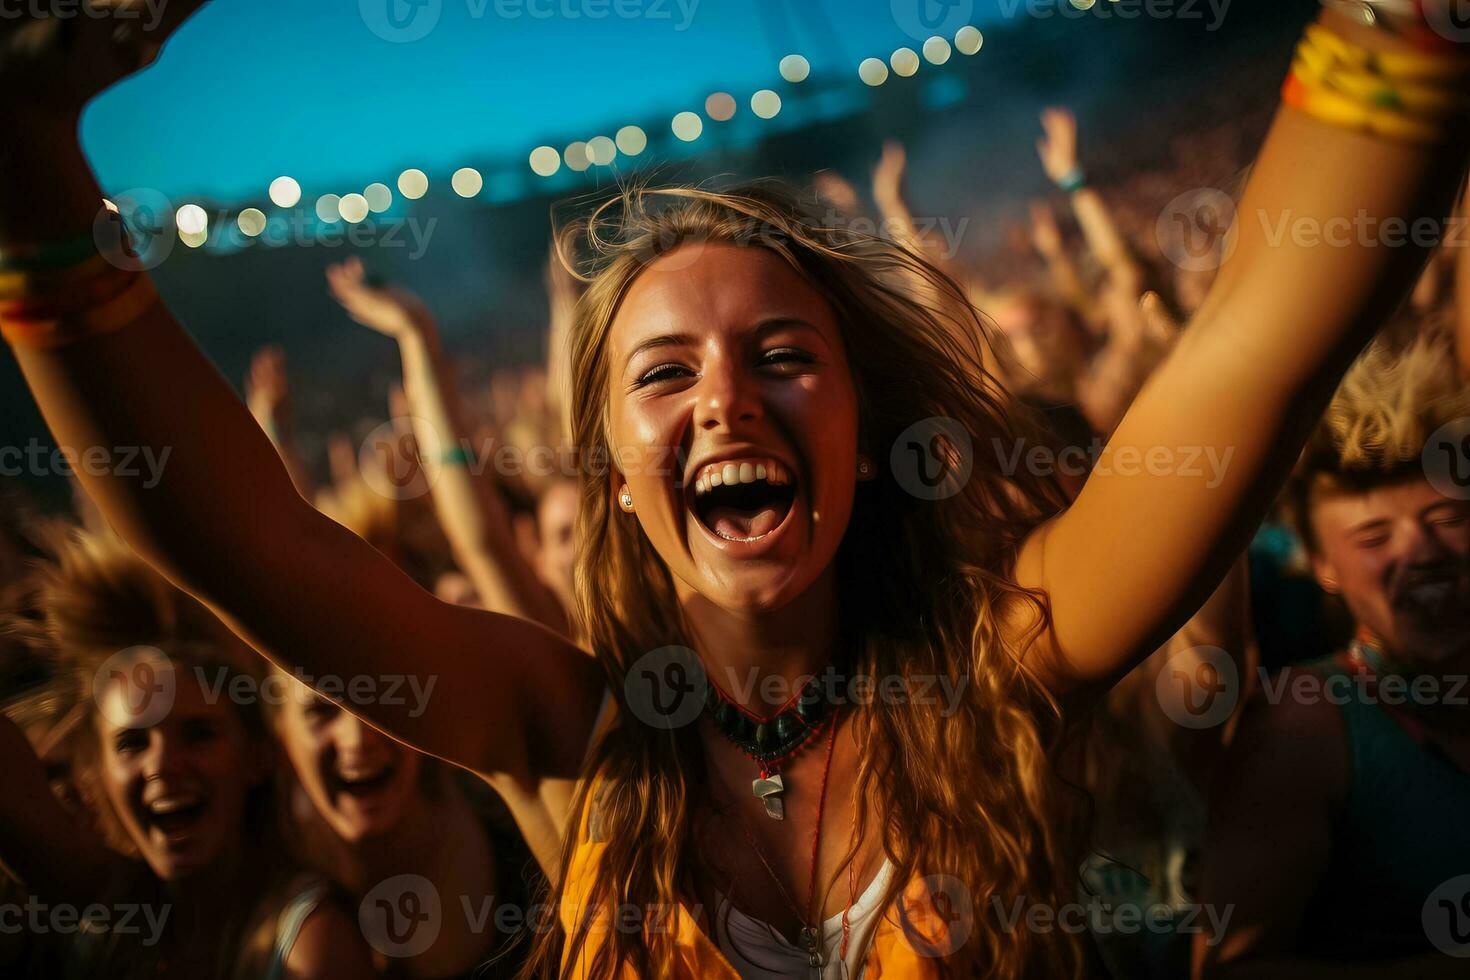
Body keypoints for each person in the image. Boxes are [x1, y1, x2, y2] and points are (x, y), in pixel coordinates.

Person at [4, 5, 1469, 978]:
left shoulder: (1000, 675)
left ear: (859, 425)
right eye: (661, 374)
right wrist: (24, 168)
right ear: (619, 480)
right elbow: (242, 546)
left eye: (780, 354)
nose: (723, 397)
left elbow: (1253, 355)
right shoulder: (562, 736)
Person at [1195, 336, 1470, 978]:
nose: (1421, 551)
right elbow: (1231, 970)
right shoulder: (1307, 724)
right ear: (1323, 567)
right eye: (1374, 537)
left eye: (1447, 519)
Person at [0, 525, 375, 979]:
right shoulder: (98, 924)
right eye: (132, 743)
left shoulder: (309, 945)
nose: (162, 765)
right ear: (97, 773)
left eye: (198, 734)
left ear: (258, 757)